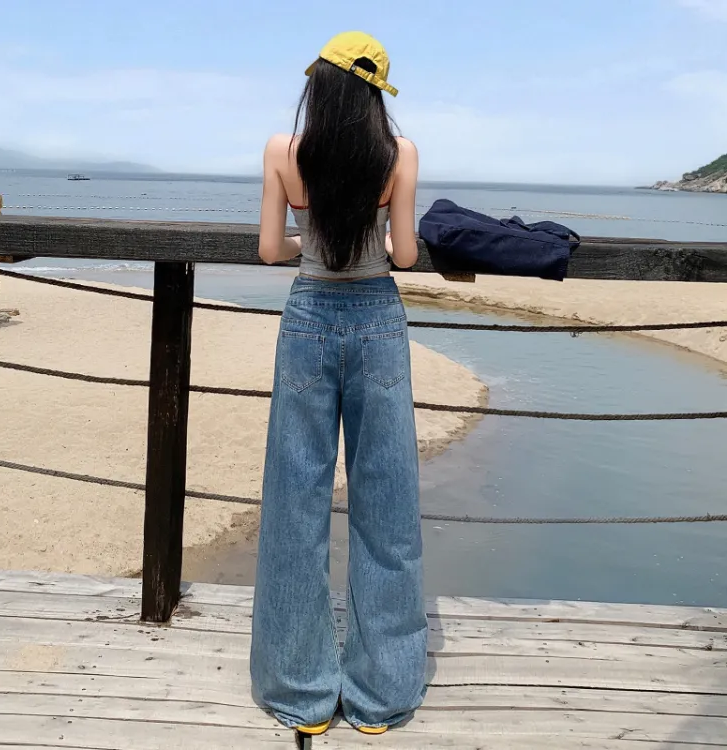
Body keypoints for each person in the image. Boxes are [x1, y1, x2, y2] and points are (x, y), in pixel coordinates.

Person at [250, 31, 427, 736]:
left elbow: (270, 249)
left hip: (309, 321)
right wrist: (373, 237)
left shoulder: (282, 151)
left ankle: (301, 693)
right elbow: (404, 255)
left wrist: (310, 238)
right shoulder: (399, 154)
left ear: (317, 86)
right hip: (378, 322)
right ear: (376, 95)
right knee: (388, 503)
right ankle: (380, 696)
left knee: (295, 501)